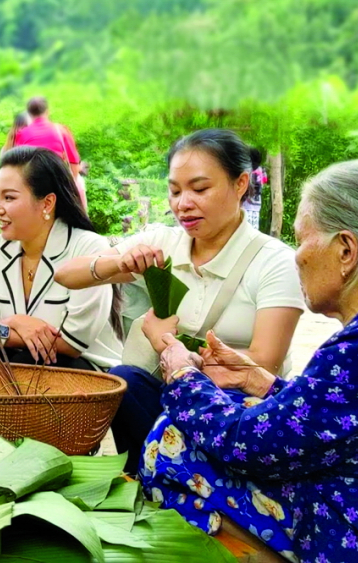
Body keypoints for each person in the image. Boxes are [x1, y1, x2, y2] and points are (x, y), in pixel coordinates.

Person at [147, 159, 358, 563]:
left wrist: (179, 375)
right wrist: (261, 383)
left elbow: (253, 445)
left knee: (170, 442)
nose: (296, 257)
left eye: (301, 240)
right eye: (176, 191)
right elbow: (342, 414)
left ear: (346, 250)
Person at [55, 129, 304, 471]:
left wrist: (164, 344)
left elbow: (265, 364)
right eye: (175, 191)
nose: (183, 203)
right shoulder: (163, 242)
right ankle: (147, 482)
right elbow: (67, 274)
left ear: (240, 184)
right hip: (169, 399)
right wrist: (118, 262)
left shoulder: (274, 260)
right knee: (123, 381)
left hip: (239, 416)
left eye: (200, 189)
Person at [0, 146, 123, 370]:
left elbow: (70, 343)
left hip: (87, 371)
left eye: (9, 197)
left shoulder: (88, 247)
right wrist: (15, 324)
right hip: (19, 362)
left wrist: (3, 328)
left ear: (47, 203)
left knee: (23, 364)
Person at [13, 96, 83, 180]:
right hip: (57, 180)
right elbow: (74, 163)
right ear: (47, 111)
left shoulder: (22, 134)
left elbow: (19, 165)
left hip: (34, 182)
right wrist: (70, 184)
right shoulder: (61, 131)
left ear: (29, 113)